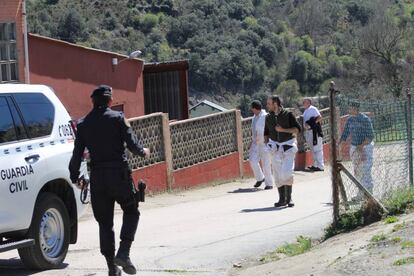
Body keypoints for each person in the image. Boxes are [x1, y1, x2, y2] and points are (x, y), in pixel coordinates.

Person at [69, 85, 150, 276]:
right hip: (119, 176)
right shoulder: (118, 118)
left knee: (105, 224)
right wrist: (143, 152)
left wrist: (75, 177)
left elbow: (76, 156)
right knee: (131, 210)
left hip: (98, 179)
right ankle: (124, 252)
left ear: (93, 101)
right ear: (110, 101)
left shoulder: (83, 124)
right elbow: (132, 144)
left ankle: (111, 268)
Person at [264, 95, 302, 208]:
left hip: (288, 147)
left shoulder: (288, 114)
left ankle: (289, 198)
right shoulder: (268, 117)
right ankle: (281, 199)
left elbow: (297, 129)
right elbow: (266, 132)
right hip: (274, 148)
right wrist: (267, 144)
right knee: (277, 174)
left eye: (269, 104)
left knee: (287, 173)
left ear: (275, 104)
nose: (267, 106)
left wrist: (282, 130)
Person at [339, 102, 374, 194]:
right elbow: (345, 133)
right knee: (357, 170)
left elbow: (370, 136)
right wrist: (339, 145)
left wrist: (361, 146)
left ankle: (369, 193)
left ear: (355, 109)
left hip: (366, 147)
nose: (349, 110)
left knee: (366, 170)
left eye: (350, 108)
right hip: (354, 147)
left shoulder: (365, 119)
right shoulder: (350, 120)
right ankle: (360, 193)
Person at [249, 101, 273, 189]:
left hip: (265, 143)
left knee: (266, 164)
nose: (251, 110)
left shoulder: (266, 116)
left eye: (252, 108)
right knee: (252, 160)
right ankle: (260, 178)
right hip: (256, 143)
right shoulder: (254, 117)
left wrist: (270, 142)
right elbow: (254, 131)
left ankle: (269, 183)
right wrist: (252, 141)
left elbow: (271, 130)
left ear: (255, 108)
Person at [303, 98, 324, 171]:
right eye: (303, 102)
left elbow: (319, 117)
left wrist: (312, 124)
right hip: (308, 131)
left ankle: (320, 166)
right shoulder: (305, 111)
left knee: (318, 149)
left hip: (314, 131)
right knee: (312, 149)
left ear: (309, 103)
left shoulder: (313, 109)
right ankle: (315, 165)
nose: (303, 103)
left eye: (305, 102)